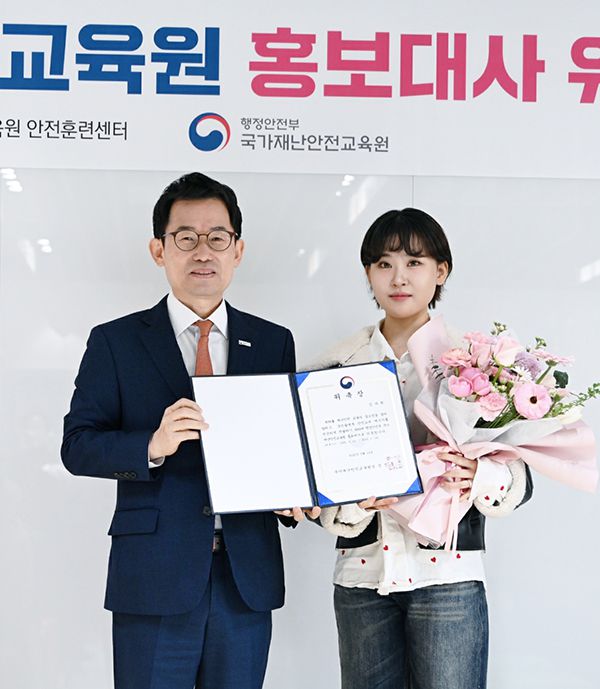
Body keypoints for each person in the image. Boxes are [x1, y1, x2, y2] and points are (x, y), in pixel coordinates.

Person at [61, 172, 314, 689]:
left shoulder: (273, 342)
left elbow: (287, 446)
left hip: (245, 575)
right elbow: (77, 446)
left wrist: (296, 494)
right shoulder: (115, 342)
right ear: (159, 249)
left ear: (237, 250)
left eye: (217, 237)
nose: (203, 251)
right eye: (185, 237)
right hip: (154, 576)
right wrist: (151, 446)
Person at [312, 208, 532, 689]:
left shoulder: (477, 363)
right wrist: (349, 503)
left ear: (441, 271)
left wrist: (479, 476)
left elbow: (520, 471)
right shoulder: (333, 367)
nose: (399, 277)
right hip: (362, 577)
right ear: (368, 273)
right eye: (384, 264)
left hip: (448, 577)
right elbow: (316, 478)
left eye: (414, 262)